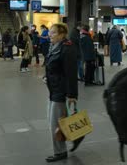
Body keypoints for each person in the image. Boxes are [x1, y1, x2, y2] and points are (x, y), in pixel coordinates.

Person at [44, 23, 82, 162]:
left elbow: (71, 73)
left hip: (61, 91)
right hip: (53, 89)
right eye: (50, 32)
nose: (50, 35)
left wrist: (72, 95)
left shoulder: (67, 48)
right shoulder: (55, 46)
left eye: (53, 33)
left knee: (56, 124)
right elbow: (53, 66)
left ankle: (60, 152)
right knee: (53, 121)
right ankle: (64, 146)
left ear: (62, 34)